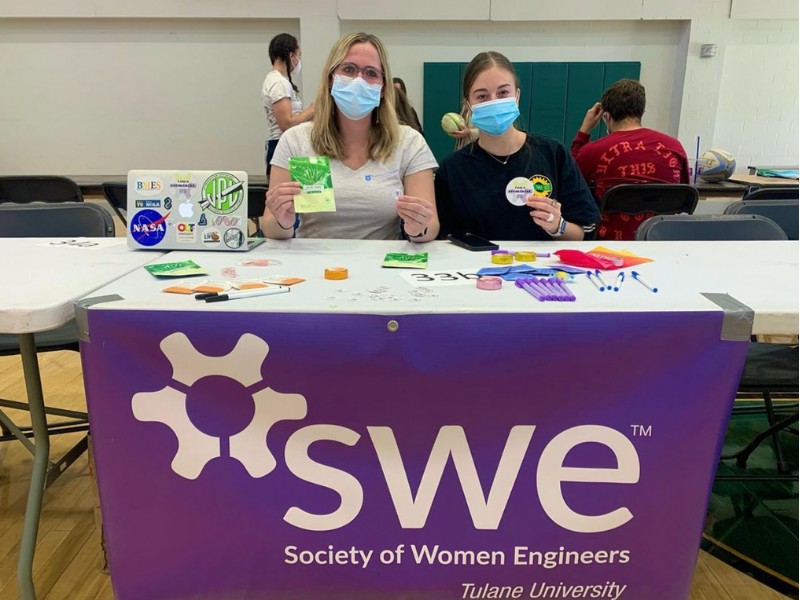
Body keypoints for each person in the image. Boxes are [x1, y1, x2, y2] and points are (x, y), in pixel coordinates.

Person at [262, 33, 439, 241]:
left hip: (381, 268)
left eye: (371, 73)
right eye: (348, 69)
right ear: (330, 79)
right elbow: (270, 228)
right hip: (314, 267)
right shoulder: (296, 141)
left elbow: (431, 226)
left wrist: (418, 228)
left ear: (383, 88)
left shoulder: (409, 142)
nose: (358, 80)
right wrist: (283, 220)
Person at [435, 51, 600, 241]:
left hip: (541, 269)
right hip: (476, 270)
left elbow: (581, 235)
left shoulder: (552, 154)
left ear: (517, 96)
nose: (494, 102)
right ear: (468, 105)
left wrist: (557, 225)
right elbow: (442, 240)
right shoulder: (453, 169)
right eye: (482, 96)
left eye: (503, 92)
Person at [570, 79, 690, 239]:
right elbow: (683, 195)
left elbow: (571, 181)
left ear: (606, 116)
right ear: (642, 113)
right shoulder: (675, 147)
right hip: (662, 242)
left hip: (610, 245)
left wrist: (585, 129)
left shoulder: (593, 151)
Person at [261, 33, 315, 178]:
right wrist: (312, 110)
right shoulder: (279, 83)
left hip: (292, 143)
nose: (299, 60)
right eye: (299, 55)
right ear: (291, 56)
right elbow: (286, 124)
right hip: (283, 146)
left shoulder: (280, 81)